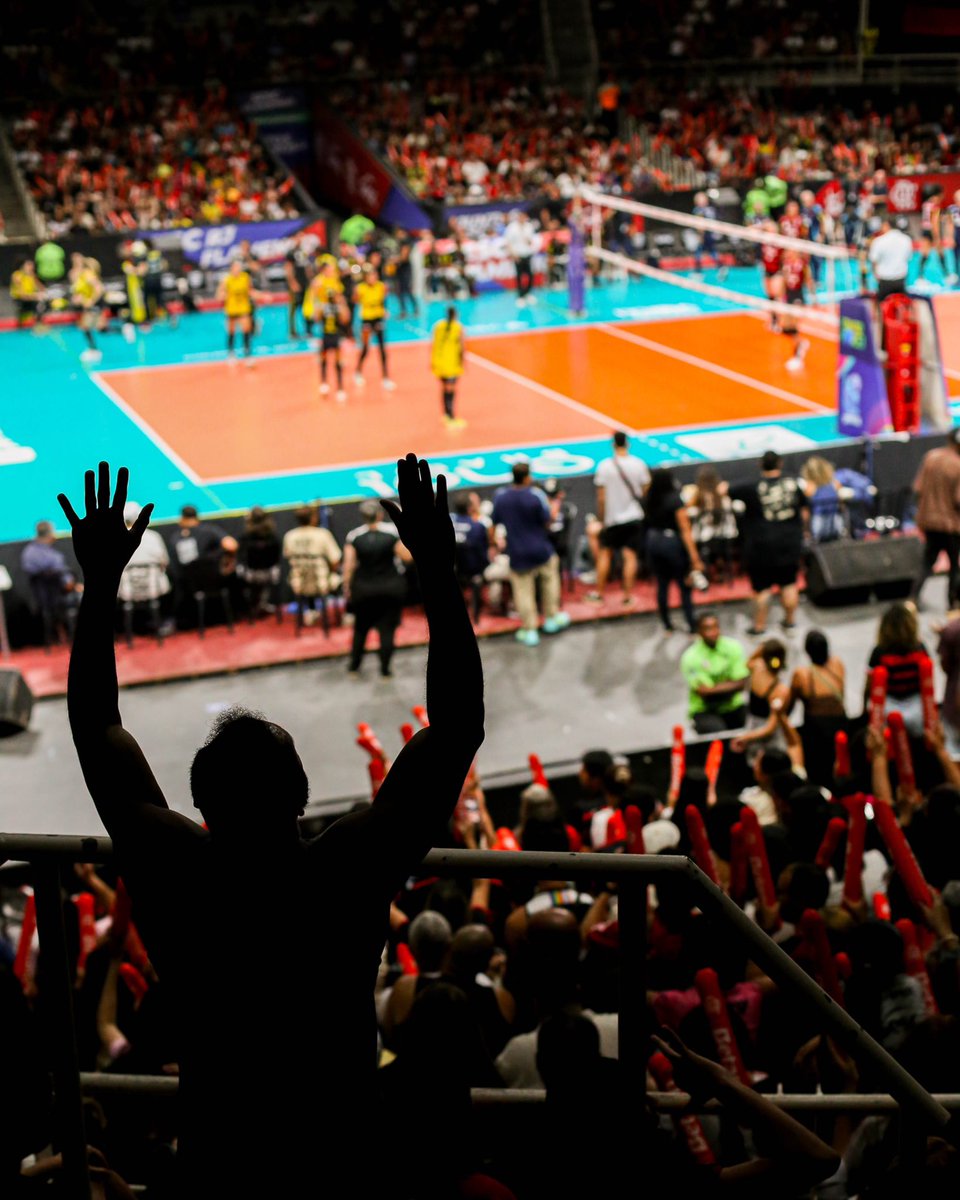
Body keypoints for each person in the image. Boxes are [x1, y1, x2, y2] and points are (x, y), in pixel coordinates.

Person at [56, 455, 484, 1197]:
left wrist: (100, 588)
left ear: (201, 808)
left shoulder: (177, 866)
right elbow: (456, 730)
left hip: (222, 1153)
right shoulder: (345, 869)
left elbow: (97, 729)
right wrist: (439, 572)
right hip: (338, 1152)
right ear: (301, 800)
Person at [728, 450, 808, 635]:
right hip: (789, 543)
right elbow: (805, 510)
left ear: (760, 465)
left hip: (761, 546)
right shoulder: (793, 483)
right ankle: (790, 622)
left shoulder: (750, 486)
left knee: (762, 588)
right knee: (789, 583)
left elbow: (725, 489)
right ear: (780, 464)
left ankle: (759, 626)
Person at [491, 463, 570, 646]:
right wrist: (556, 503)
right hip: (541, 550)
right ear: (527, 477)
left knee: (523, 592)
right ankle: (551, 618)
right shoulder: (536, 496)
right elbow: (548, 521)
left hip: (517, 553)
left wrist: (493, 544)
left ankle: (530, 629)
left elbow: (494, 525)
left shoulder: (501, 498)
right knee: (550, 581)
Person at [342, 498, 412, 676]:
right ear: (380, 515)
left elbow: (348, 565)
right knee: (387, 630)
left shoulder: (354, 536)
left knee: (360, 629)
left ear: (363, 516)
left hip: (364, 590)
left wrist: (346, 588)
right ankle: (385, 670)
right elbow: (407, 557)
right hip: (390, 588)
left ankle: (354, 666)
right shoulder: (391, 533)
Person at [586, 431, 651, 606]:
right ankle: (627, 596)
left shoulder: (605, 466)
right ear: (627, 444)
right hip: (633, 516)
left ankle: (599, 594)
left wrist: (602, 518)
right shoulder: (639, 464)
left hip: (612, 519)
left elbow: (601, 497)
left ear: (613, 445)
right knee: (630, 557)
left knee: (604, 555)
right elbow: (646, 488)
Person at [643, 467, 704, 635]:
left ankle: (667, 625)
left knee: (662, 585)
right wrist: (694, 557)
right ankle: (691, 625)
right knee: (684, 585)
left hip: (652, 541)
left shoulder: (648, 497)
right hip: (671, 544)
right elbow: (685, 529)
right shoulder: (674, 500)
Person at [787, 630, 847, 785]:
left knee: (818, 774)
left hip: (816, 733)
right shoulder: (838, 665)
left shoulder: (802, 675)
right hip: (840, 725)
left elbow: (789, 706)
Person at [912, 428, 960, 610]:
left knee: (927, 562)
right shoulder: (958, 465)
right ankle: (953, 603)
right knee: (955, 566)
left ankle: (913, 599)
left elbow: (917, 489)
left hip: (929, 523)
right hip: (951, 526)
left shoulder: (931, 457)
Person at [866, 600, 929, 737]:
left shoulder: (879, 652)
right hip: (917, 710)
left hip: (889, 709)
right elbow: (927, 682)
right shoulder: (920, 649)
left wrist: (864, 711)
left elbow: (870, 684)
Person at [680, 612, 749, 734]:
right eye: (707, 629)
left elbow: (742, 683)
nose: (713, 632)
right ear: (699, 632)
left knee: (753, 728)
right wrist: (731, 685)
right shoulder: (690, 657)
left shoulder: (733, 647)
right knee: (718, 737)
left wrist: (714, 689)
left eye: (715, 627)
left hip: (734, 705)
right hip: (704, 710)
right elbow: (704, 692)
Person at [20, 519, 82, 643]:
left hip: (42, 599)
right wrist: (75, 586)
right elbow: (66, 582)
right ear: (50, 534)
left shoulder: (28, 553)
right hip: (59, 597)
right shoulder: (53, 557)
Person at [731, 639, 790, 764]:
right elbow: (771, 726)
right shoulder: (781, 690)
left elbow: (747, 662)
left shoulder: (757, 667)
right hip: (762, 733)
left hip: (755, 729)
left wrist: (746, 736)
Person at [281, 505, 342, 626]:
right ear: (313, 518)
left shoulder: (289, 536)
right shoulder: (323, 534)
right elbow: (335, 560)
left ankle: (311, 610)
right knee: (341, 576)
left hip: (299, 583)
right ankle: (348, 614)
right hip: (322, 582)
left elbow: (287, 557)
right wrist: (330, 572)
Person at [682, 466, 738, 582]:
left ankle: (702, 569)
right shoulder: (723, 497)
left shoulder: (698, 498)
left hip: (704, 540)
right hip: (725, 538)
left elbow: (686, 510)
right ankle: (719, 564)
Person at [354, 266, 395, 389]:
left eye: (374, 275)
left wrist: (384, 311)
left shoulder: (381, 287)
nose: (372, 278)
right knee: (365, 348)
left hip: (378, 318)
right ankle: (358, 371)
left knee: (382, 349)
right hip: (367, 319)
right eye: (370, 276)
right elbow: (356, 301)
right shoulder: (360, 288)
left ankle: (385, 377)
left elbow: (383, 301)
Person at [216, 258, 262, 366]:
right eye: (236, 267)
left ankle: (247, 354)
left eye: (239, 267)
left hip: (243, 308)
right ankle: (231, 353)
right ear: (231, 268)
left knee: (246, 330)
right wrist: (222, 295)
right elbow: (218, 295)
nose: (238, 269)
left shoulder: (245, 278)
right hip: (231, 309)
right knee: (231, 331)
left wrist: (262, 296)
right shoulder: (226, 280)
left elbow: (250, 291)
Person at [237, 507, 282, 618]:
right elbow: (277, 558)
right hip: (270, 573)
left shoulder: (245, 537)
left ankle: (251, 606)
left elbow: (241, 558)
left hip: (251, 575)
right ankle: (260, 604)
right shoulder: (273, 537)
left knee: (238, 569)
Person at [451, 497, 489, 622]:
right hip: (473, 569)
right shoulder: (478, 526)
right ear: (470, 508)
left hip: (452, 567)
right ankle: (476, 617)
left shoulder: (447, 522)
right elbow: (483, 550)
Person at [430, 305, 465, 427]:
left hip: (439, 362)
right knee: (450, 389)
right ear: (455, 315)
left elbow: (433, 344)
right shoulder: (458, 328)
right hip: (451, 363)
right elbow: (462, 347)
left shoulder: (438, 326)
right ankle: (451, 417)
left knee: (444, 388)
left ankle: (445, 414)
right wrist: (462, 362)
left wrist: (433, 362)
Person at [780, 249, 812, 371]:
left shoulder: (802, 264)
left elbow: (808, 280)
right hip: (788, 296)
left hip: (797, 297)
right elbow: (784, 280)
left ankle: (797, 356)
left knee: (794, 327)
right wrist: (782, 297)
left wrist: (813, 299)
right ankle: (801, 344)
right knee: (785, 328)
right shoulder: (786, 263)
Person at [868, 216, 913, 300]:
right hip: (901, 280)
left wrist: (876, 276)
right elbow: (908, 258)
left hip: (885, 281)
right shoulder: (906, 239)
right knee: (903, 304)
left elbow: (873, 261)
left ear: (886, 225)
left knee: (878, 304)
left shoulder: (878, 241)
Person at [70, 253, 104, 362]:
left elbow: (99, 288)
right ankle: (93, 349)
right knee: (86, 327)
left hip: (95, 304)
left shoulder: (87, 274)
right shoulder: (79, 275)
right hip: (87, 306)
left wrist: (91, 301)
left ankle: (94, 350)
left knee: (92, 327)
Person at [504, 210, 537, 306]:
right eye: (520, 216)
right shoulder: (511, 228)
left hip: (527, 253)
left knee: (530, 275)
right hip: (517, 255)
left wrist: (529, 241)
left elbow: (531, 241)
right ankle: (520, 296)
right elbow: (508, 242)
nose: (522, 218)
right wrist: (513, 254)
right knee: (519, 276)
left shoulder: (529, 226)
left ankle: (528, 293)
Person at [284, 233, 313, 340]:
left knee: (307, 307)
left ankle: (308, 330)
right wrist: (292, 282)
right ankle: (293, 331)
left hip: (305, 283)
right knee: (293, 308)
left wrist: (310, 280)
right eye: (297, 237)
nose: (299, 239)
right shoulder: (291, 252)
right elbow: (288, 268)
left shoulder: (304, 252)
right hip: (296, 284)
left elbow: (307, 267)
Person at [917, 185, 947, 281]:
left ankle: (920, 276)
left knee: (925, 253)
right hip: (932, 231)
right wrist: (936, 237)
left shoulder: (926, 204)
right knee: (940, 252)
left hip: (925, 230)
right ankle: (946, 275)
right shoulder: (935, 206)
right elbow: (934, 222)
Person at [10, 259, 46, 326]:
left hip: (30, 297)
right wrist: (35, 296)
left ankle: (38, 324)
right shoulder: (17, 275)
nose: (31, 267)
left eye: (32, 265)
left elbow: (42, 288)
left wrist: (42, 293)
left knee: (42, 303)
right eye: (29, 265)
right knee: (36, 303)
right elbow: (21, 294)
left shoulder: (32, 275)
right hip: (20, 298)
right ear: (23, 266)